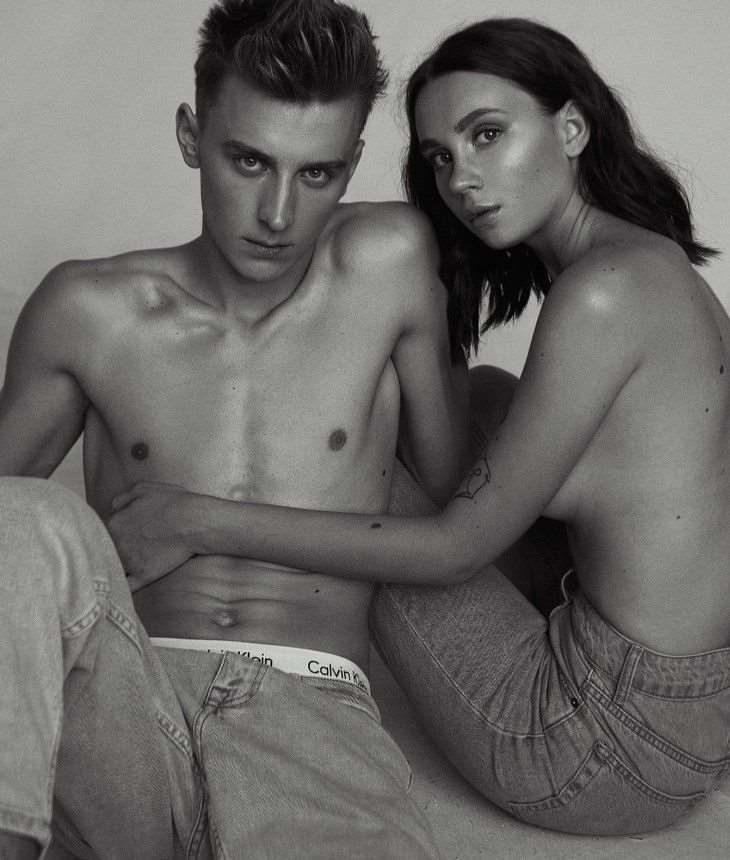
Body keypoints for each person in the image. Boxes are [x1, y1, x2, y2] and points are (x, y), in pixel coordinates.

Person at [108, 17, 730, 837]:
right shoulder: (647, 266)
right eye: (440, 157)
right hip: (686, 711)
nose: (462, 178)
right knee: (486, 394)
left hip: (593, 743)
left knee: (358, 453)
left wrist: (199, 519)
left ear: (573, 128)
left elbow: (453, 550)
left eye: (488, 134)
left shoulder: (605, 294)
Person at [0, 1, 468, 857]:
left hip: (314, 712)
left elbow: (456, 503)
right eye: (249, 161)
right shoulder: (88, 310)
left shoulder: (387, 266)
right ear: (191, 136)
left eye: (318, 173)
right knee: (22, 516)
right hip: (123, 702)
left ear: (354, 163)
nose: (279, 213)